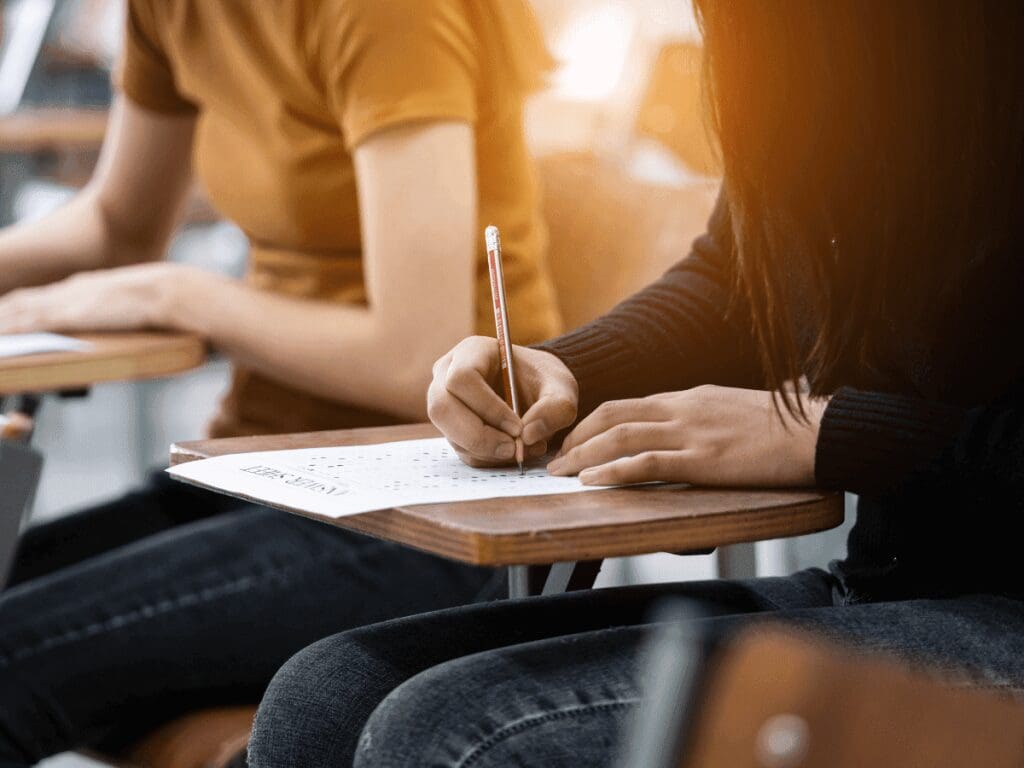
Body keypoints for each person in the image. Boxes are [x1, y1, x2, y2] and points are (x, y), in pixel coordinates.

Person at [247, 1, 1024, 765]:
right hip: (896, 582)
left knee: (450, 731)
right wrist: (566, 368)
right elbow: (738, 281)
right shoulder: (825, 69)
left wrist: (824, 432)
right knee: (326, 695)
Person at [0, 0, 559, 762]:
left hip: (424, 500)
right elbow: (118, 224)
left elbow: (414, 357)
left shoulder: (386, 16)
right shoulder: (166, 10)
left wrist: (176, 293)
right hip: (259, 470)